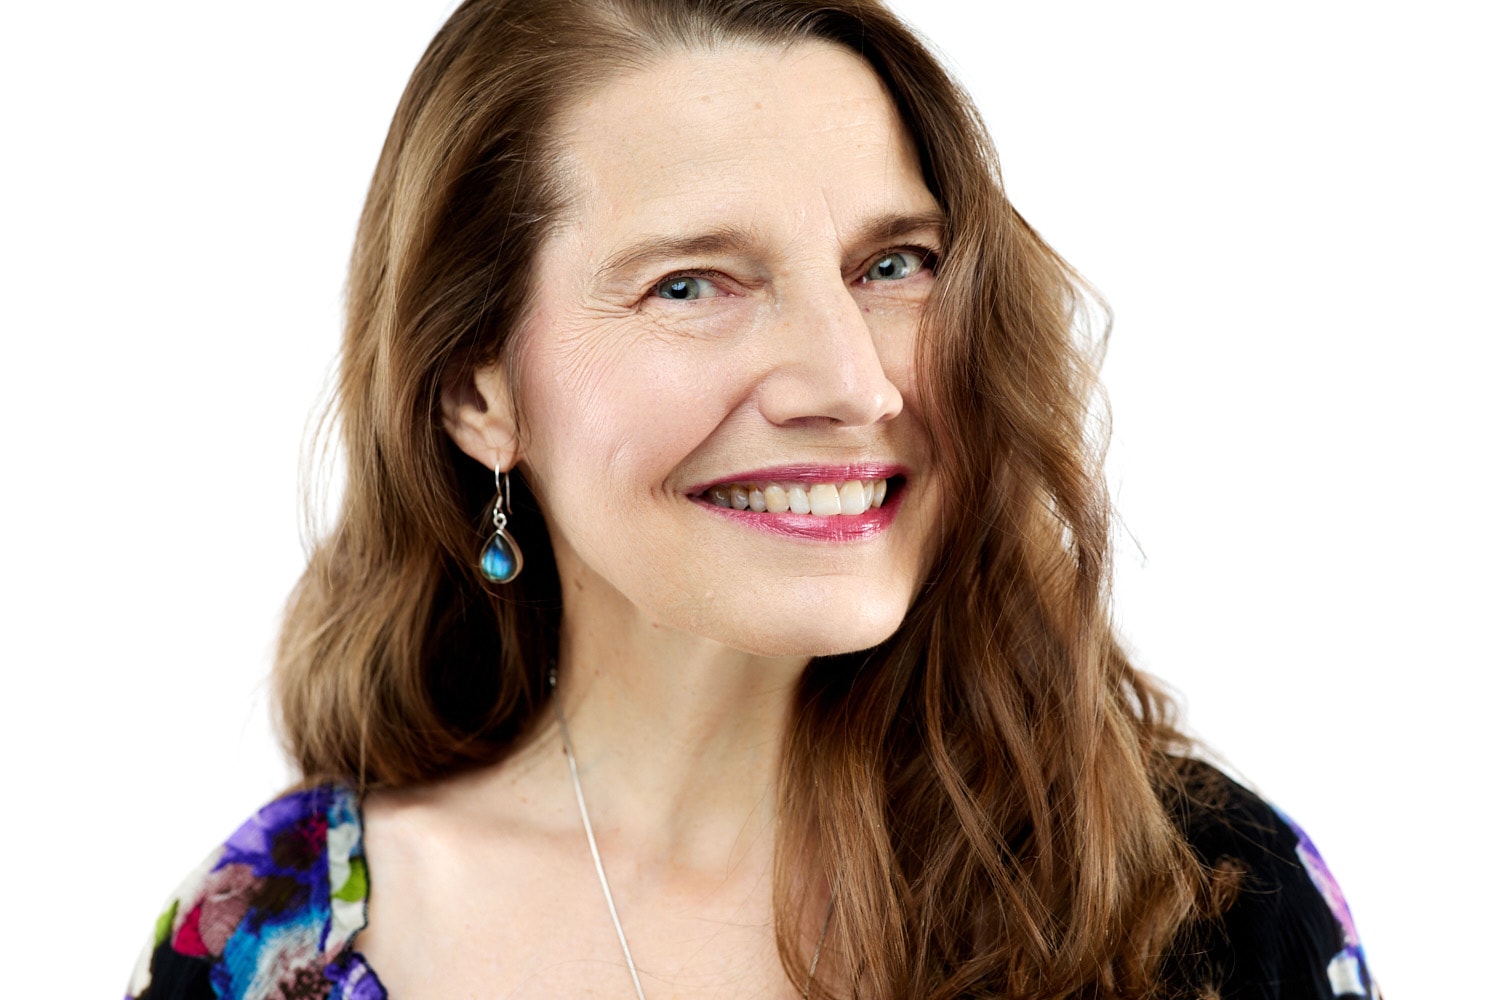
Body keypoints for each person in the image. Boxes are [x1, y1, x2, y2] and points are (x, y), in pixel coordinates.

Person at [124, 1, 1379, 997]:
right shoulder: (266, 941)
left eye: (895, 265)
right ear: (475, 393)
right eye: (693, 284)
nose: (854, 381)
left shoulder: (1210, 906)